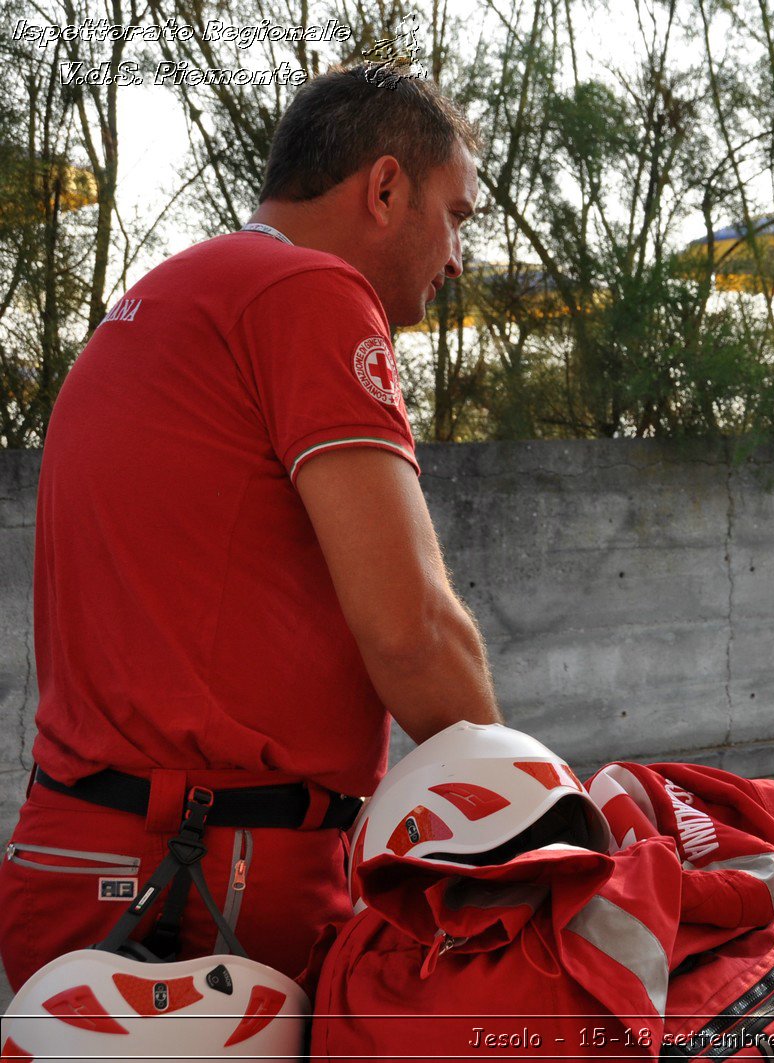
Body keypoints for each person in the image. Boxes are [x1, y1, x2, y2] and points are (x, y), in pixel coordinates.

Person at [0, 65, 501, 991]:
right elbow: (412, 631)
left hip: (76, 861)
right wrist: (536, 821)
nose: (459, 257)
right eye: (458, 215)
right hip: (208, 886)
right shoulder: (309, 292)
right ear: (384, 190)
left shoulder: (164, 297)